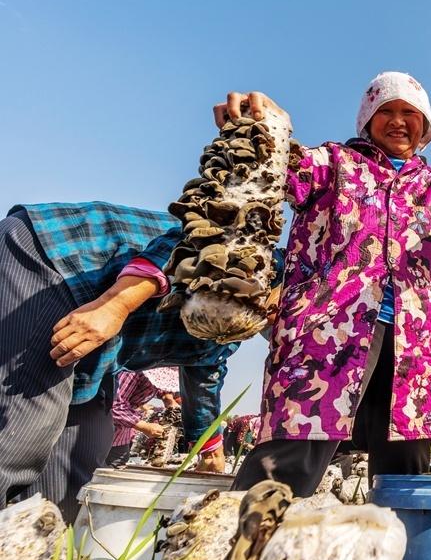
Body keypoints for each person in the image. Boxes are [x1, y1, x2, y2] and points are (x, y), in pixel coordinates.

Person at [229, 74, 431, 496]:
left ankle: (398, 553)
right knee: (295, 449)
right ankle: (236, 551)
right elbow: (282, 167)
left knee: (405, 465)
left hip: (418, 337)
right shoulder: (333, 164)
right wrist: (258, 126)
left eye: (410, 113)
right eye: (386, 110)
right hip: (329, 328)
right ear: (367, 120)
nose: (398, 120)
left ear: (425, 127)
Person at [0, 202, 251, 520]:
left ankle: (42, 554)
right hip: (58, 259)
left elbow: (206, 366)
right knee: (22, 436)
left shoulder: (242, 324)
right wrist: (114, 306)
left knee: (83, 453)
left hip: (99, 336)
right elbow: (197, 240)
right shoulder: (265, 262)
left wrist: (209, 446)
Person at [106, 368, 180, 468]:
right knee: (93, 472)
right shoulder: (131, 372)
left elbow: (154, 386)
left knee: (118, 464)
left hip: (121, 436)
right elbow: (114, 405)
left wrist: (167, 398)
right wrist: (144, 426)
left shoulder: (151, 375)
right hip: (102, 431)